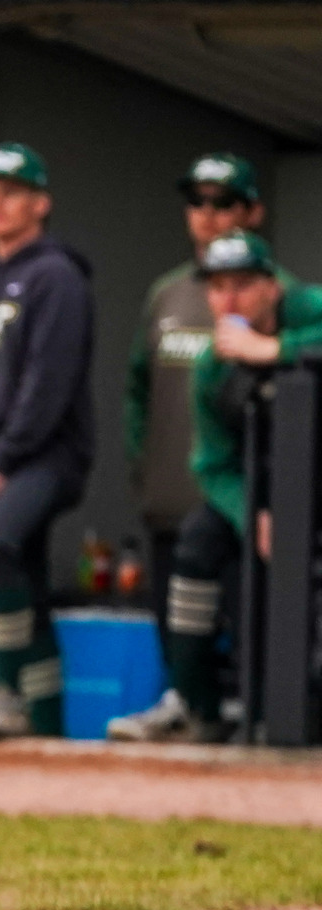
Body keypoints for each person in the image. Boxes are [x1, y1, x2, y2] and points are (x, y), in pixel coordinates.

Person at [111, 231, 322, 742]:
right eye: (218, 287)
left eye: (243, 285)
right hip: (258, 491)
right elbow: (212, 464)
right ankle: (197, 705)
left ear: (271, 287)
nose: (228, 300)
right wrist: (255, 515)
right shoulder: (211, 366)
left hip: (314, 486)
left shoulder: (307, 307)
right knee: (197, 544)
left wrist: (275, 349)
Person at [109, 154, 265, 739]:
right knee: (175, 619)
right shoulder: (167, 293)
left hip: (241, 501)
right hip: (171, 491)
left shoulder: (271, 295)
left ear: (253, 211)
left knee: (248, 619)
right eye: (197, 203)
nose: (208, 215)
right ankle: (186, 708)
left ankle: (256, 724)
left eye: (223, 202)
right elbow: (135, 389)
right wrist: (142, 464)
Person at [0, 143, 94, 739]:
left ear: (41, 203)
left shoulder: (54, 274)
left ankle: (9, 692)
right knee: (26, 581)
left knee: (1, 549)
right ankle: (45, 722)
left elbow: (48, 381)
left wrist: (1, 461)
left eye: (11, 191)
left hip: (45, 455)